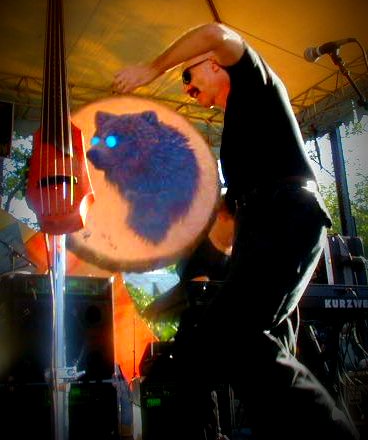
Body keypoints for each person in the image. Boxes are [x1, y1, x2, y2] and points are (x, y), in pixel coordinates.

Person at [112, 23, 359, 440]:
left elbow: (214, 32)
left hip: (287, 219)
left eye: (188, 79)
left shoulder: (255, 86)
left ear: (213, 64)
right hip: (261, 232)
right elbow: (227, 222)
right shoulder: (238, 136)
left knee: (230, 338)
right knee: (238, 350)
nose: (188, 91)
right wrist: (189, 285)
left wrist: (153, 68)